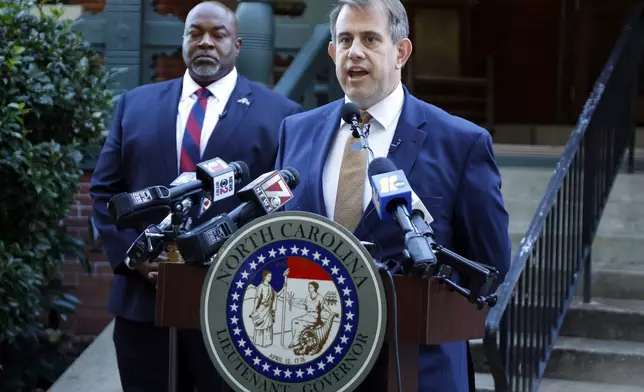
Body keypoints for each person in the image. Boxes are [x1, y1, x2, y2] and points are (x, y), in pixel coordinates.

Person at [273, 0, 511, 391]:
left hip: (416, 369)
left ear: (401, 52)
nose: (355, 52)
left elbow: (489, 266)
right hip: (310, 365)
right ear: (332, 52)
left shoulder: (460, 143)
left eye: (370, 39)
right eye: (345, 40)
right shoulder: (295, 131)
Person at [89, 1, 303, 391]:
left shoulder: (281, 114)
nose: (206, 42)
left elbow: (283, 206)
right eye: (195, 33)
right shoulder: (133, 105)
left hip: (233, 308)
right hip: (143, 306)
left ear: (237, 45)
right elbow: (105, 191)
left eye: (218, 34)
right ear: (183, 40)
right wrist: (135, 259)